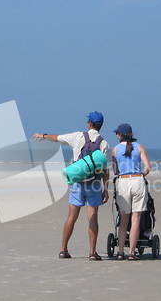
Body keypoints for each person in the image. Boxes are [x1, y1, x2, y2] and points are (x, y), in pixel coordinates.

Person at [33, 111, 110, 261]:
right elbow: (105, 169)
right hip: (94, 185)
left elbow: (57, 138)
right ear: (100, 126)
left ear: (89, 123)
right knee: (92, 218)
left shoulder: (78, 137)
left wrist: (43, 136)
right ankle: (92, 252)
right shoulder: (104, 144)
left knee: (71, 217)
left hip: (77, 183)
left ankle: (63, 250)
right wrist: (106, 189)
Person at [111, 123, 151, 260]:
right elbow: (148, 168)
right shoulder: (139, 147)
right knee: (136, 219)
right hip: (137, 180)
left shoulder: (115, 150)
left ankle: (121, 251)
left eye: (117, 133)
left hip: (123, 181)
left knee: (123, 219)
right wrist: (141, 175)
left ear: (120, 135)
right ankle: (132, 253)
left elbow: (115, 171)